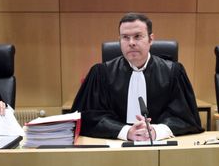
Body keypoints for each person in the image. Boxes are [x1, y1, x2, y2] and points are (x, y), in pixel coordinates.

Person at [71, 12, 203, 141]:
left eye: (137, 36)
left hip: (162, 146)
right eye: (125, 37)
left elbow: (186, 117)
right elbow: (88, 118)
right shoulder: (101, 73)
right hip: (114, 145)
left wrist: (156, 131)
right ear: (120, 40)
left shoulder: (173, 72)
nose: (131, 42)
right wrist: (125, 131)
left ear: (151, 39)